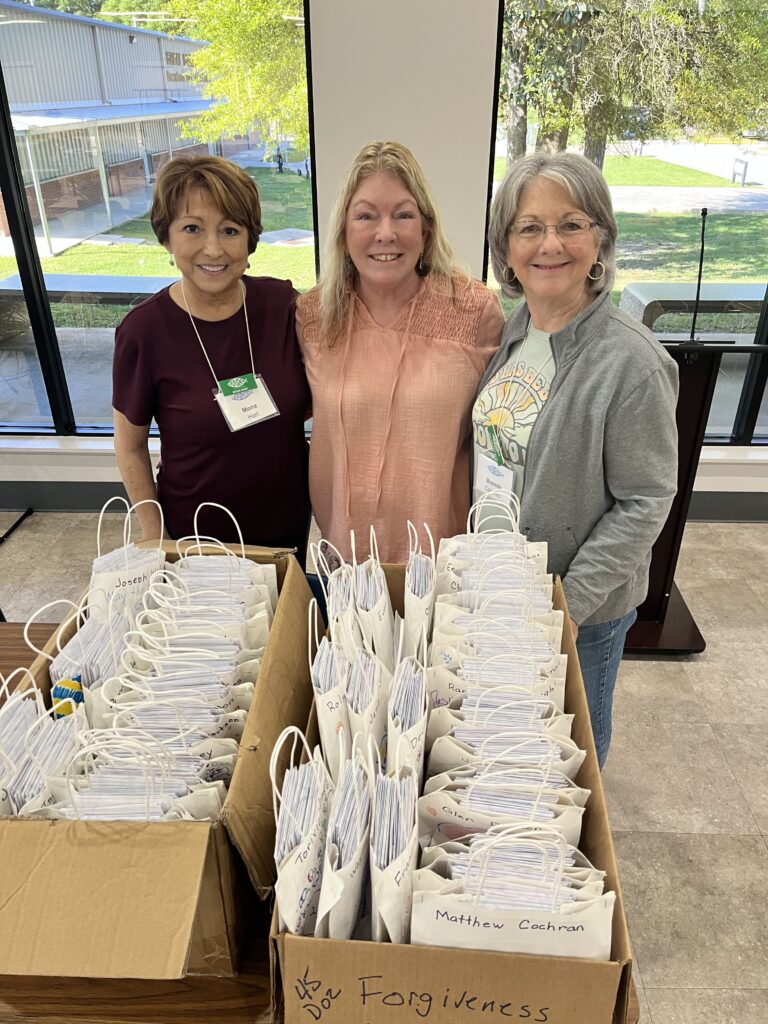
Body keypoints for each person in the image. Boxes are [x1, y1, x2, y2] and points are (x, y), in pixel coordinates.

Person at [475, 152, 678, 768]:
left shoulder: (632, 363)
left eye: (571, 224)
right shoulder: (514, 332)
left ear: (600, 240)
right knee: (513, 740)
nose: (550, 244)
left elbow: (646, 501)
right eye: (529, 227)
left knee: (568, 758)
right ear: (506, 247)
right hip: (500, 587)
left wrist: (566, 604)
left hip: (577, 612)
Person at [297, 140, 504, 564]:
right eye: (366, 216)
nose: (385, 233)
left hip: (443, 562)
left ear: (425, 228)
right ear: (344, 230)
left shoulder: (473, 310)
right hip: (346, 559)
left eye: (403, 214)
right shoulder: (313, 316)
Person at [112, 154, 311, 558]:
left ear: (250, 240)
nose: (213, 248)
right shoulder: (144, 331)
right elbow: (129, 446)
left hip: (287, 523)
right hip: (197, 535)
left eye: (230, 230)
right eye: (192, 228)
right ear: (166, 238)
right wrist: (155, 538)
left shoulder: (282, 306)